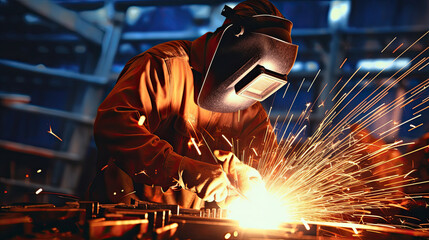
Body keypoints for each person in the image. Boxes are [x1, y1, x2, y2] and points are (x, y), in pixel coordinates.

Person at [88, 0, 298, 209]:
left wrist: (245, 181)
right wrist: (180, 168)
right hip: (123, 216)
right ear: (228, 43)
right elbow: (113, 126)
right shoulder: (163, 67)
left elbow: (270, 171)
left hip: (190, 225)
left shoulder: (249, 105)